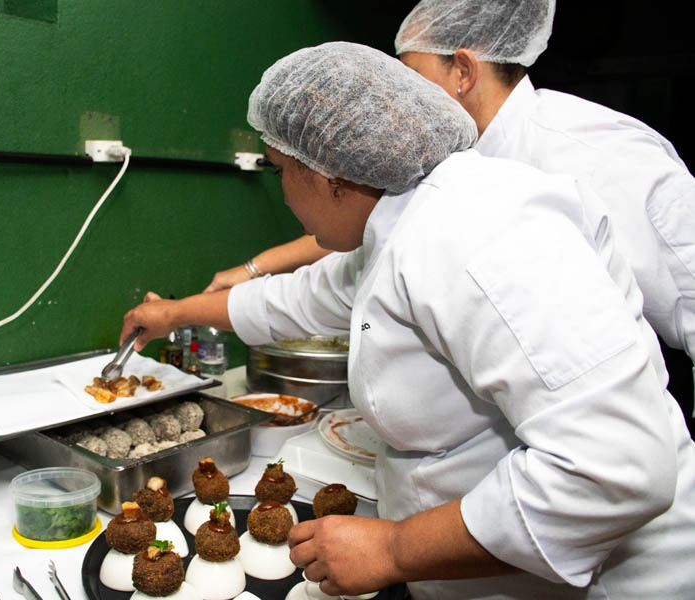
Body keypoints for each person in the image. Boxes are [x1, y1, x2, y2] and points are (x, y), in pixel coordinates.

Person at [122, 42, 695, 599]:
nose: (287, 199)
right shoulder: (404, 224)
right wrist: (173, 314)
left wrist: (395, 549)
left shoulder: (480, 236)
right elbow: (295, 298)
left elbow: (613, 469)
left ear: (329, 173)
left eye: (280, 172)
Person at [394, 0, 695, 436]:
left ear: (463, 71)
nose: (402, 101)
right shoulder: (466, 159)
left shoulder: (593, 155)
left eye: (412, 78)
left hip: (635, 427)